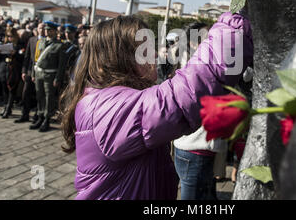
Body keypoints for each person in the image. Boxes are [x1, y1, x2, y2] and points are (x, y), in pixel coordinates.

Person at [59, 12, 253, 200]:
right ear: (118, 58)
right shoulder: (106, 107)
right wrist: (234, 25)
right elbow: (186, 93)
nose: (153, 54)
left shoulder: (111, 98)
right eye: (144, 48)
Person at [172, 22, 227, 200]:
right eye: (206, 37)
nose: (212, 41)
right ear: (193, 43)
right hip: (195, 149)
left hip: (192, 147)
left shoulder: (195, 66)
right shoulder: (198, 69)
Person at [29, 21, 66, 132]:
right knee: (39, 95)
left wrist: (58, 78)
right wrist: (33, 73)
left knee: (49, 97)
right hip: (39, 73)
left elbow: (61, 65)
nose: (47, 31)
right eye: (46, 30)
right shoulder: (40, 42)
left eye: (50, 30)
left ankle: (47, 119)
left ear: (55, 31)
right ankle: (40, 116)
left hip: (50, 75)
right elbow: (35, 60)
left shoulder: (59, 45)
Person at [16, 22, 45, 123]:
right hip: (29, 70)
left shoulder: (47, 41)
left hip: (41, 71)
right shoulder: (32, 40)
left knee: (39, 94)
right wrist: (24, 71)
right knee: (26, 93)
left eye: (43, 28)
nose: (41, 30)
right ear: (37, 29)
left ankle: (37, 115)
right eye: (40, 28)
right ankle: (25, 114)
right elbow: (27, 57)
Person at [0, 27, 23, 119]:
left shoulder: (19, 45)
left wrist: (15, 53)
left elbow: (22, 56)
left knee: (12, 89)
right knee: (4, 89)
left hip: (13, 69)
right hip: (4, 67)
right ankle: (5, 107)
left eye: (11, 36)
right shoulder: (5, 44)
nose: (9, 38)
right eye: (8, 36)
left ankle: (8, 108)